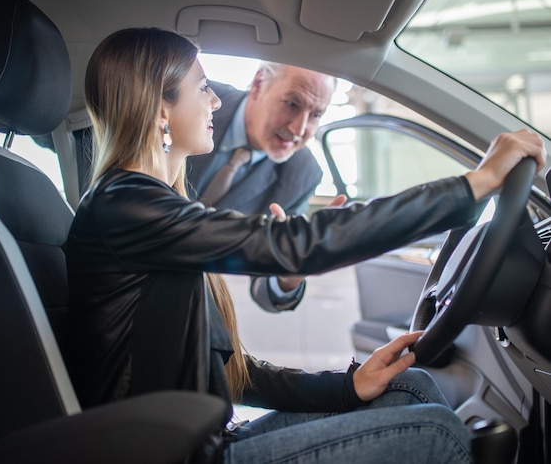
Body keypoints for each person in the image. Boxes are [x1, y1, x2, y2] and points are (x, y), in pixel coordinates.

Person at [64, 27, 546, 464]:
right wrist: (474, 184)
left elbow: (231, 372)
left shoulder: (149, 203)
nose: (214, 102)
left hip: (205, 433)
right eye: (202, 87)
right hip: (174, 451)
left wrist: (346, 386)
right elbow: (292, 245)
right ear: (161, 107)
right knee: (437, 433)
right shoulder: (126, 204)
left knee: (412, 389)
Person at [187, 62, 339, 312]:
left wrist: (291, 272)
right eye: (292, 104)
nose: (298, 129)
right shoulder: (200, 98)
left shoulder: (303, 173)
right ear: (258, 84)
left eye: (316, 115)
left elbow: (265, 287)